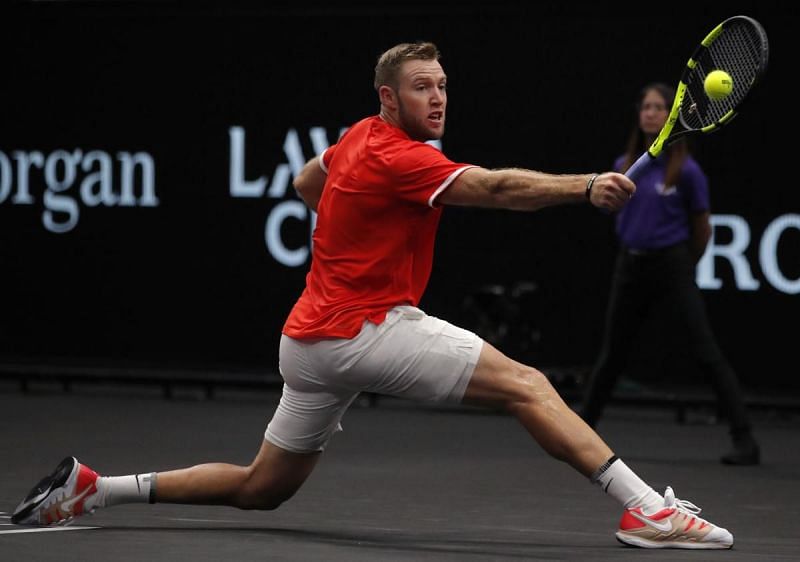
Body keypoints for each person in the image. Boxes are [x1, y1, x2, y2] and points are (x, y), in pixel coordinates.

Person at [12, 43, 734, 549]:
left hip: (307, 344)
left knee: (265, 487)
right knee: (528, 385)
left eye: (444, 85)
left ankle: (91, 488)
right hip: (366, 331)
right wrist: (584, 187)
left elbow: (305, 183)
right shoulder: (400, 155)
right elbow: (498, 189)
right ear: (389, 97)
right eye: (423, 87)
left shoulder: (357, 137)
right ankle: (647, 511)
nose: (439, 97)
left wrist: (353, 222)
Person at [577, 82, 760, 466]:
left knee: (705, 349)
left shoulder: (688, 172)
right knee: (612, 354)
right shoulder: (622, 166)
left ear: (671, 115)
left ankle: (745, 439)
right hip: (630, 265)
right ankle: (577, 434)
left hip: (672, 265)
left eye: (659, 107)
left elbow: (702, 228)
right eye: (645, 106)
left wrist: (684, 263)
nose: (650, 113)